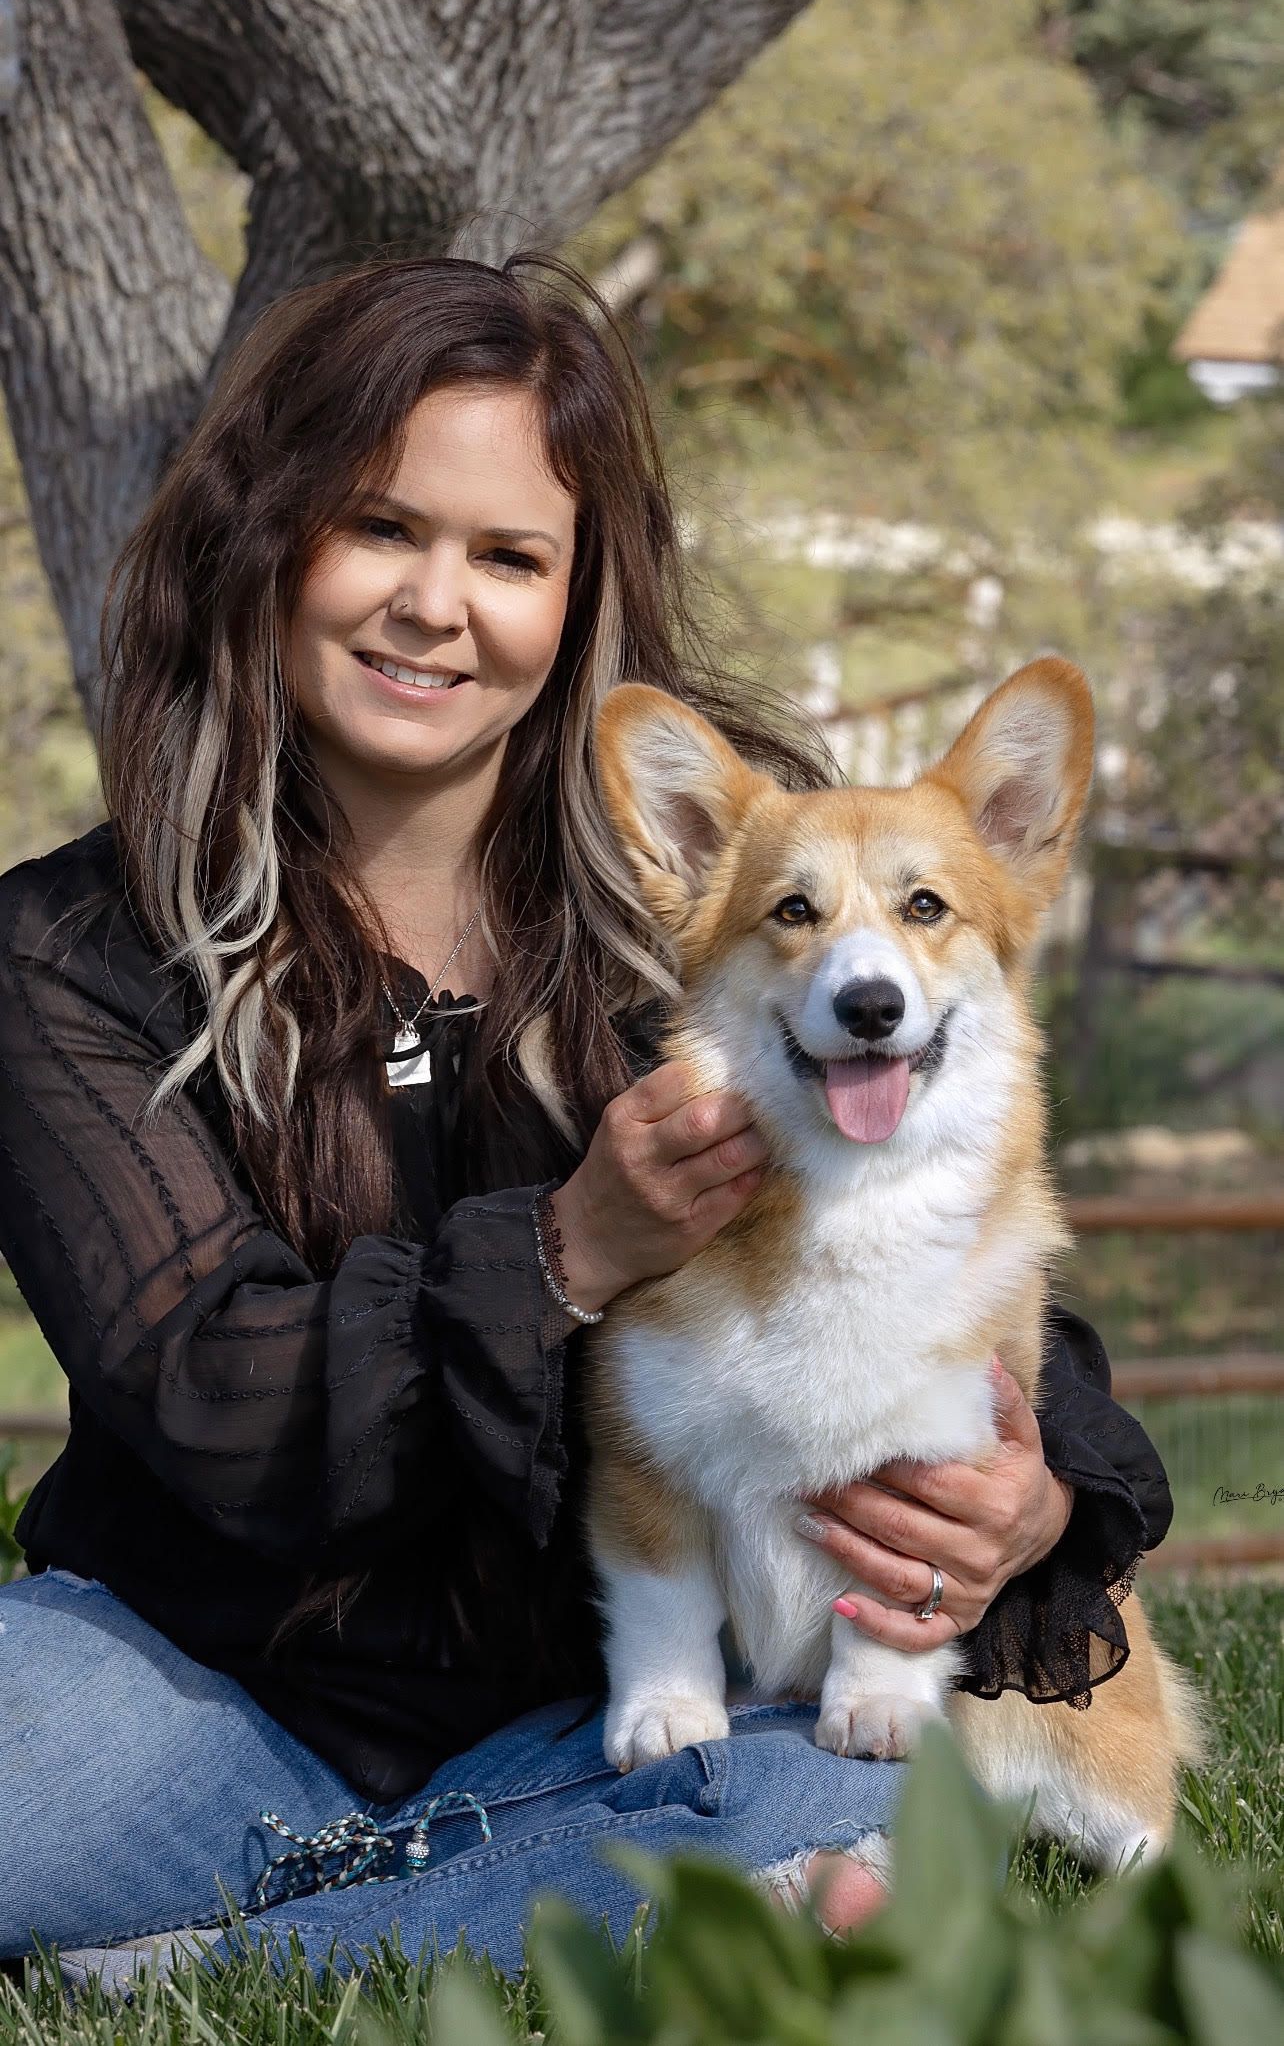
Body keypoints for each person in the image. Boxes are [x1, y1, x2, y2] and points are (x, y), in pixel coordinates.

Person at [0, 256, 1172, 1984]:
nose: (434, 604)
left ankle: (222, 1942)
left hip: (605, 1679)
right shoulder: (70, 949)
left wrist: (1044, 1496)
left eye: (508, 556)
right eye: (380, 528)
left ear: (578, 592)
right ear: (266, 539)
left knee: (834, 1762)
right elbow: (212, 1389)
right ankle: (480, 1896)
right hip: (202, 1677)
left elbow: (941, 1261)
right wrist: (568, 1250)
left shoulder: (741, 886)